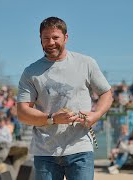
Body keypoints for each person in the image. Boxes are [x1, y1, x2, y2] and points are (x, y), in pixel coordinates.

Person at [17, 17, 113, 180]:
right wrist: (52, 119)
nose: (50, 42)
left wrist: (96, 115)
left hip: (80, 148)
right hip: (45, 152)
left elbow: (107, 94)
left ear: (66, 38)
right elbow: (22, 112)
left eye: (55, 37)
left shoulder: (86, 63)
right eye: (46, 38)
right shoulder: (31, 72)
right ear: (40, 39)